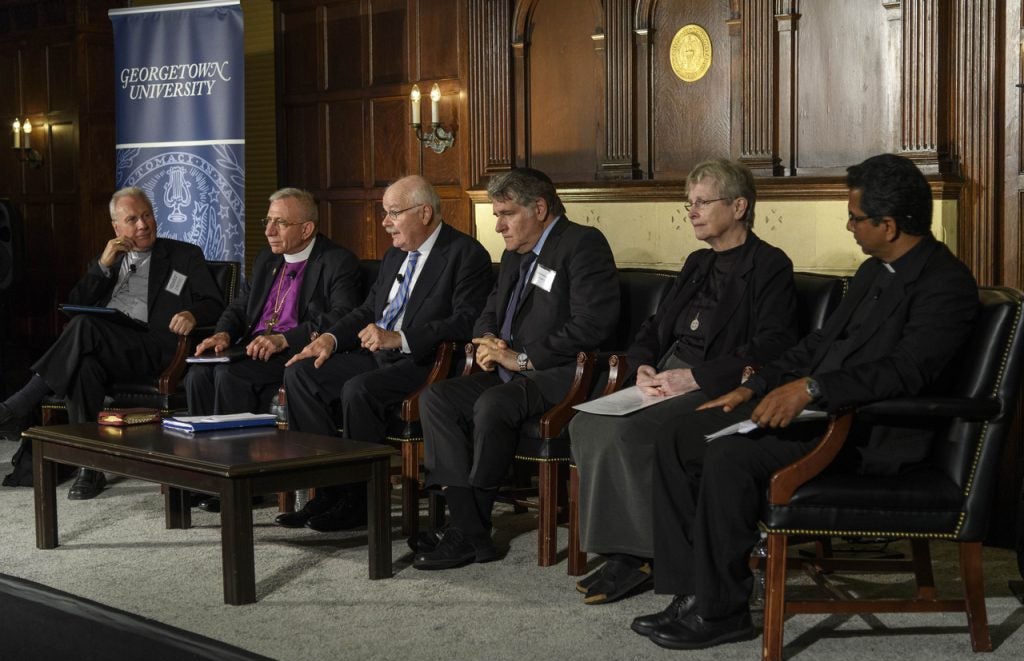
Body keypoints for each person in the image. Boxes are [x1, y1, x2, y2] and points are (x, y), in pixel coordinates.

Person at [632, 153, 979, 651]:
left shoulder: (945, 285)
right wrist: (754, 385)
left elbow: (907, 371)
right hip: (823, 416)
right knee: (680, 434)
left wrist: (813, 389)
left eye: (856, 218)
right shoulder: (873, 272)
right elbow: (816, 347)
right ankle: (691, 593)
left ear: (889, 224)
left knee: (727, 455)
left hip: (870, 433)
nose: (849, 226)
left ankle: (723, 611)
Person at [570, 159, 799, 604]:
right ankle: (621, 549)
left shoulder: (769, 265)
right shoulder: (697, 262)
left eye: (701, 202)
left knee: (629, 433)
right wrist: (642, 366)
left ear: (738, 206)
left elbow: (773, 345)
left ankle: (642, 556)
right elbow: (655, 328)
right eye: (688, 203)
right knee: (586, 424)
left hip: (715, 383)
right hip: (665, 375)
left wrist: (694, 377)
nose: (691, 211)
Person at [413, 167, 621, 571]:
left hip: (558, 374)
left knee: (492, 404)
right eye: (496, 214)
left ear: (539, 208)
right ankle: (471, 529)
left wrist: (522, 358)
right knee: (436, 397)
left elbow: (593, 325)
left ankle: (465, 530)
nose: (499, 224)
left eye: (506, 213)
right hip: (507, 370)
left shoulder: (582, 244)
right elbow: (486, 310)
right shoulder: (513, 254)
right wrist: (487, 338)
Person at [276, 175, 493, 532]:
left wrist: (401, 338)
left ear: (424, 213)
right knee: (301, 374)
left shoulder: (465, 254)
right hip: (379, 355)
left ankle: (360, 502)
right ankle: (329, 491)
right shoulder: (395, 255)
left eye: (393, 213)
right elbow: (366, 310)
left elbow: (466, 321)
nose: (385, 222)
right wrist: (330, 338)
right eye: (384, 213)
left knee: (358, 389)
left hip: (426, 361)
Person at [0, 187, 224, 499]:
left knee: (85, 328)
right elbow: (74, 305)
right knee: (84, 365)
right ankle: (89, 469)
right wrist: (102, 266)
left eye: (146, 215)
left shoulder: (184, 255)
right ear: (116, 228)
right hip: (110, 347)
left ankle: (21, 403)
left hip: (156, 347)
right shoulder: (106, 261)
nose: (143, 224)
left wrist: (192, 313)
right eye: (132, 219)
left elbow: (215, 302)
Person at [183, 187, 362, 512]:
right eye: (268, 221)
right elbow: (240, 305)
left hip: (294, 352)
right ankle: (207, 475)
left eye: (279, 223)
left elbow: (340, 315)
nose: (268, 231)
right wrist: (223, 333)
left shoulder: (337, 261)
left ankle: (239, 482)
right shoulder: (267, 258)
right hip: (252, 348)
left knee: (229, 374)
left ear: (306, 229)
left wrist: (285, 339)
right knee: (198, 374)